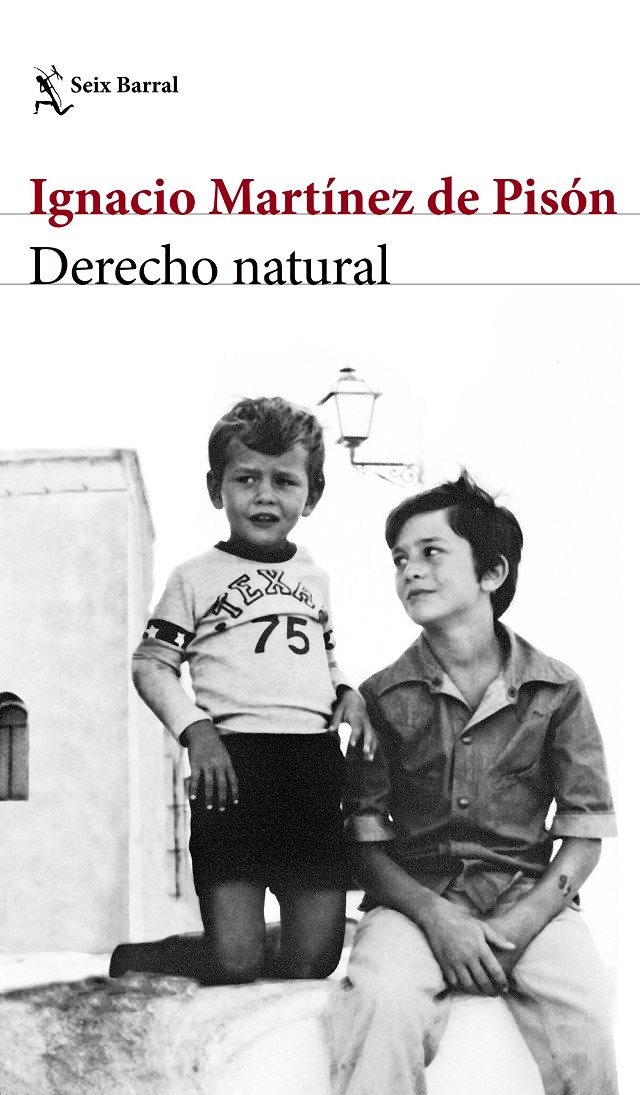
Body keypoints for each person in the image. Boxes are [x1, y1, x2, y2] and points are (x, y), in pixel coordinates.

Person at [328, 473, 617, 1095]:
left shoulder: (557, 689)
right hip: (413, 902)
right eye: (399, 559)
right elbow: (364, 843)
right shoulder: (381, 697)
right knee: (380, 1002)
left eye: (432, 552)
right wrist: (438, 920)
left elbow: (584, 834)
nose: (410, 571)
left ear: (492, 572)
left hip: (527, 896)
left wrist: (523, 926)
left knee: (587, 1011)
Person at [110, 396, 374, 985]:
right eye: (246, 478)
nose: (265, 496)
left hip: (310, 768)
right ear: (216, 488)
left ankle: (256, 939)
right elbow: (151, 664)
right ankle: (153, 958)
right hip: (230, 767)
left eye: (285, 481)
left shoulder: (314, 577)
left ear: (313, 493)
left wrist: (346, 691)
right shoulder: (193, 577)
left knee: (314, 962)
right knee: (235, 963)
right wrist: (195, 730)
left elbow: (323, 657)